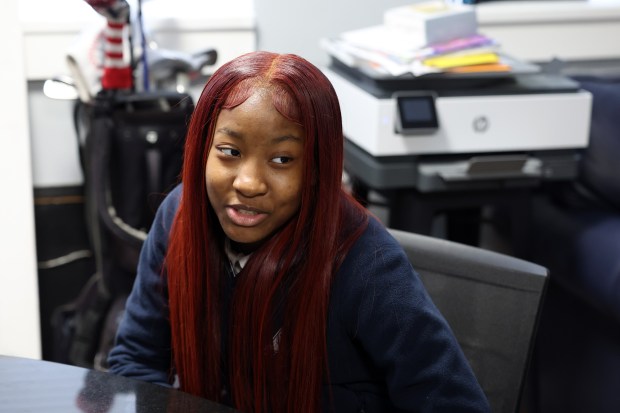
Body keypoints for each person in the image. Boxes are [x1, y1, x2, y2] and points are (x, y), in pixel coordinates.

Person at [107, 50, 490, 413]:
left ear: (317, 170)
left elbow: (453, 404)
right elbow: (136, 360)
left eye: (282, 159)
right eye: (229, 151)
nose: (249, 183)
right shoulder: (178, 217)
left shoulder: (368, 264)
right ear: (201, 150)